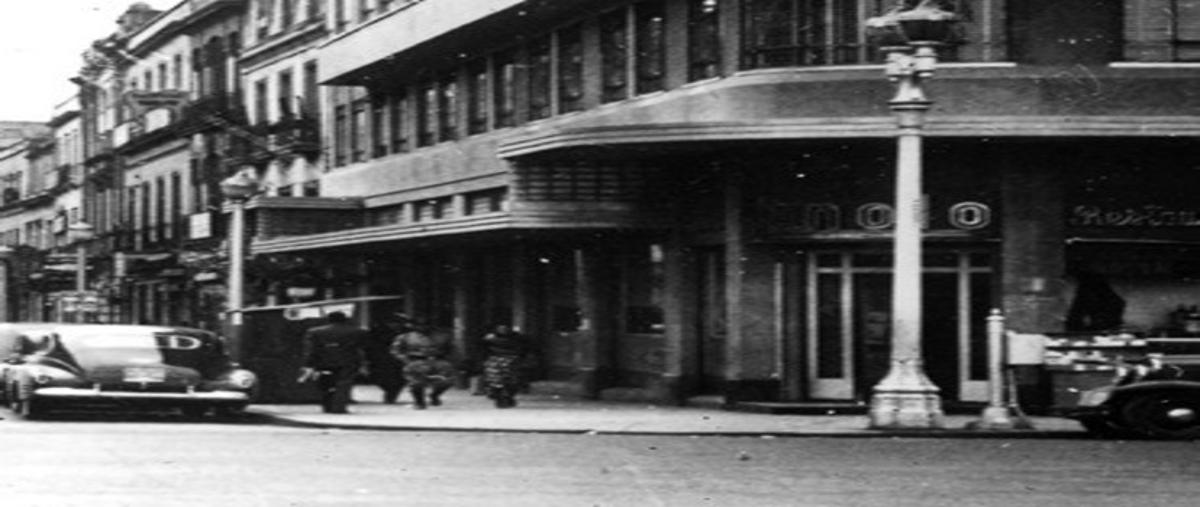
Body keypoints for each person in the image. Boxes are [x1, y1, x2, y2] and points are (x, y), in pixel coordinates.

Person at [300, 311, 369, 414]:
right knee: (344, 383)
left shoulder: (315, 332)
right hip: (348, 361)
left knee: (325, 383)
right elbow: (364, 347)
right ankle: (339, 407)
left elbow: (311, 349)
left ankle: (327, 406)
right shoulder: (358, 331)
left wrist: (308, 363)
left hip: (324, 362)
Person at [389, 317, 456, 409]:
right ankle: (419, 402)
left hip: (438, 361)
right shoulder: (405, 337)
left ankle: (434, 395)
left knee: (447, 380)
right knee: (416, 382)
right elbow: (395, 350)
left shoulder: (442, 336)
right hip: (416, 361)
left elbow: (452, 350)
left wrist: (449, 360)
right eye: (419, 325)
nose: (423, 327)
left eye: (426, 325)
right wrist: (406, 360)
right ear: (414, 326)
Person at [481, 324, 530, 408]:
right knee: (509, 381)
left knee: (501, 381)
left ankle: (501, 396)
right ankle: (503, 396)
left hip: (500, 362)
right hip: (508, 362)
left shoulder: (491, 340)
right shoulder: (516, 339)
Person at [364, 315, 408, 404]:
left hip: (395, 359)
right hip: (381, 359)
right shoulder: (378, 332)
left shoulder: (404, 332)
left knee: (398, 380)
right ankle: (390, 394)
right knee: (381, 378)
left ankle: (391, 396)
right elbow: (370, 346)